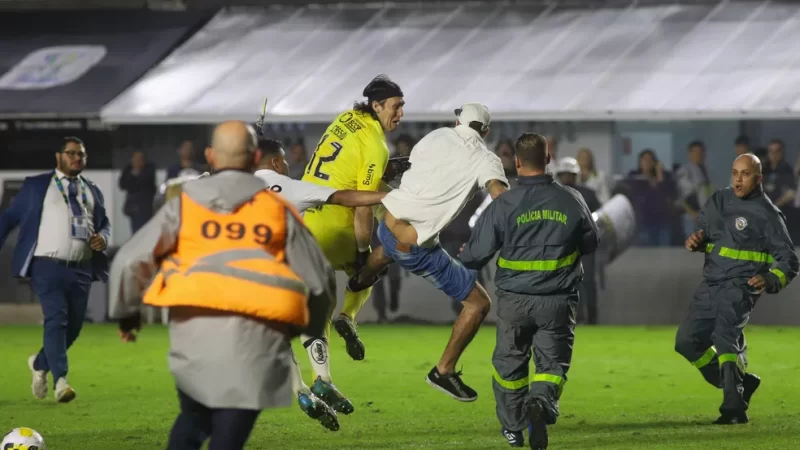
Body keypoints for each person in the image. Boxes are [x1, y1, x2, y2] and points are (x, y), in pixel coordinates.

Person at [108, 121, 337, 450]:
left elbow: (130, 261)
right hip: (255, 340)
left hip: (194, 336)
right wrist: (308, 327)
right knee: (229, 435)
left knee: (192, 421)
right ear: (256, 156)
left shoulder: (185, 205)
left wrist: (128, 314)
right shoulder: (276, 210)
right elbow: (320, 281)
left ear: (210, 156)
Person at [348, 103, 509, 402]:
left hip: (387, 222)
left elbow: (407, 166)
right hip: (415, 247)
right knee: (479, 304)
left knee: (388, 248)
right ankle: (443, 371)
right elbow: (500, 197)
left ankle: (359, 280)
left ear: (458, 120)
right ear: (485, 131)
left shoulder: (436, 135)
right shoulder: (487, 159)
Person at [458, 133, 598, 449]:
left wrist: (466, 251)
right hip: (557, 301)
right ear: (548, 158)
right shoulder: (571, 198)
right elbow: (591, 242)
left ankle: (513, 427)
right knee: (551, 366)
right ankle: (540, 402)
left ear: (517, 162)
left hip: (513, 302)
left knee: (510, 365)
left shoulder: (504, 203)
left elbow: (475, 255)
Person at [253, 137, 388, 427]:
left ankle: (301, 390)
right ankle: (323, 378)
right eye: (285, 160)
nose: (288, 164)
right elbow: (344, 197)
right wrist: (384, 195)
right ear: (276, 163)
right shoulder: (287, 186)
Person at [676, 153, 799, 425]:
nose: (738, 179)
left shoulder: (768, 214)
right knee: (686, 341)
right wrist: (697, 240)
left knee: (724, 337)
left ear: (758, 179)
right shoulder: (719, 200)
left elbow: (789, 260)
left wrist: (770, 278)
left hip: (741, 286)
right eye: (734, 173)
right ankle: (741, 383)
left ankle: (734, 409)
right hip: (711, 283)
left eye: (745, 174)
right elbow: (704, 233)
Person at [300, 75, 404, 363]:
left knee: (322, 298)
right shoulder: (376, 144)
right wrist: (361, 253)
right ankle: (348, 316)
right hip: (336, 225)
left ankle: (320, 375)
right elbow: (363, 205)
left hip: (307, 223)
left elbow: (346, 167)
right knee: (371, 267)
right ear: (377, 106)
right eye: (395, 107)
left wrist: (382, 173)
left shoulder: (345, 118)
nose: (400, 114)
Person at [0, 136, 110, 403]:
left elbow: (104, 223)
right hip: (46, 266)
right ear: (58, 156)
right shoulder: (38, 186)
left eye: (81, 155)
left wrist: (103, 238)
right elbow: (7, 220)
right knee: (56, 319)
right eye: (71, 153)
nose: (76, 158)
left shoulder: (92, 190)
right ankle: (61, 381)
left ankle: (39, 364)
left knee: (72, 328)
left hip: (82, 268)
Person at [554, 157, 602, 325]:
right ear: (559, 175)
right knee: (565, 283)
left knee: (588, 281)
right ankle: (571, 317)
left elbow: (600, 216)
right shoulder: (554, 195)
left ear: (576, 175)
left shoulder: (588, 193)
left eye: (570, 174)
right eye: (564, 174)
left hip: (585, 244)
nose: (567, 178)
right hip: (562, 246)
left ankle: (592, 318)